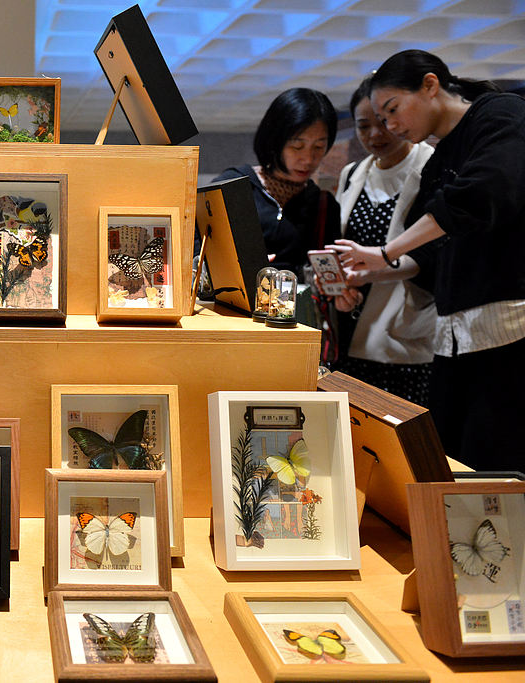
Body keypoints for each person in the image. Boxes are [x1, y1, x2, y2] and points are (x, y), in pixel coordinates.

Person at [331, 50, 525, 471]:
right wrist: (372, 268)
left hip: (505, 324)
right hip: (454, 332)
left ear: (431, 85)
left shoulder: (502, 114)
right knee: (449, 461)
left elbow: (479, 196)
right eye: (379, 119)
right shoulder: (441, 157)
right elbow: (438, 246)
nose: (390, 126)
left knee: (497, 461)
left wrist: (385, 253)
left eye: (392, 110)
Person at [327, 77, 436, 406]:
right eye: (364, 125)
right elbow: (344, 249)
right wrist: (340, 290)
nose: (375, 134)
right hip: (353, 328)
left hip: (407, 336)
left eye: (385, 122)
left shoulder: (430, 166)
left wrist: (376, 267)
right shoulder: (352, 173)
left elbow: (434, 254)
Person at [215, 88, 341, 279]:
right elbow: (196, 254)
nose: (308, 158)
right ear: (275, 141)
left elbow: (330, 275)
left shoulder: (324, 206)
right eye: (297, 146)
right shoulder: (233, 187)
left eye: (319, 147)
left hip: (294, 306)